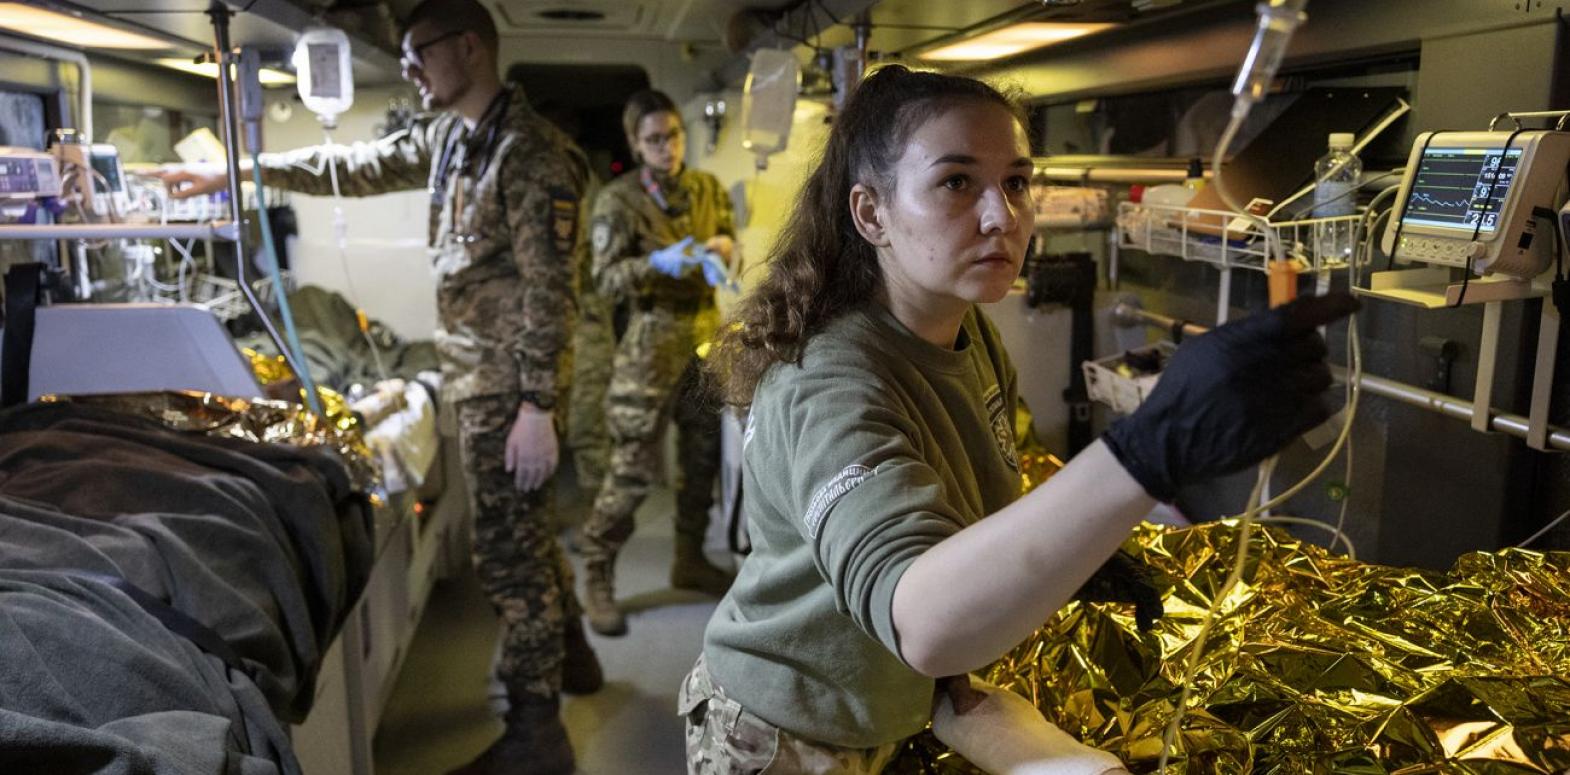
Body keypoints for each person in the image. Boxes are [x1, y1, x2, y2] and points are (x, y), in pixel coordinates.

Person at [686, 65, 1355, 774]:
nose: (1002, 216)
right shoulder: (829, 383)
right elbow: (923, 622)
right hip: (786, 730)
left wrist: (1080, 549)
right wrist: (1145, 451)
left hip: (887, 707)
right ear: (872, 213)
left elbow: (987, 483)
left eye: (1015, 182)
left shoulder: (963, 328)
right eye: (956, 182)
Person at [157, 2, 600, 773]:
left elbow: (550, 292)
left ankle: (538, 736)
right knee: (525, 536)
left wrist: (537, 407)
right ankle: (576, 657)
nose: (407, 70)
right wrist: (239, 172)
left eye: (419, 52)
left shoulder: (528, 153)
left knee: (510, 558)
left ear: (470, 47)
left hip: (510, 389)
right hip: (480, 378)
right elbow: (355, 167)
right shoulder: (452, 137)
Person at [577, 89, 737, 636]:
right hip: (648, 346)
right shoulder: (618, 201)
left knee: (701, 462)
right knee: (632, 472)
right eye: (653, 140)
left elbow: (729, 239)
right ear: (634, 143)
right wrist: (657, 264)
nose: (667, 147)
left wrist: (725, 250)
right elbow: (604, 280)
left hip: (704, 340)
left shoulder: (707, 188)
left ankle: (688, 560)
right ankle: (597, 574)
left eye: (673, 135)